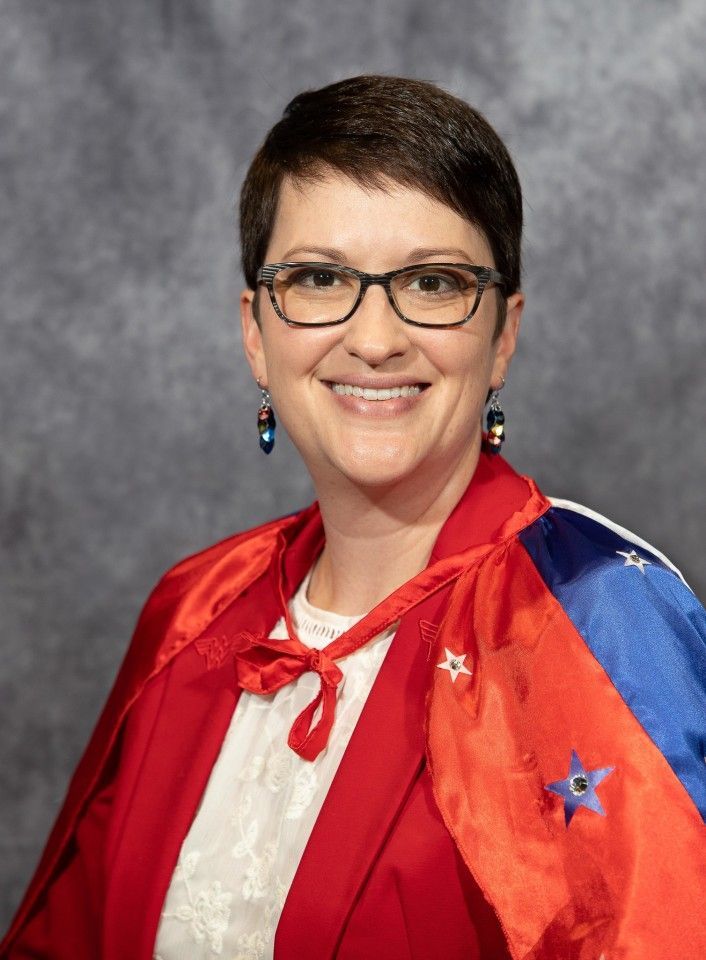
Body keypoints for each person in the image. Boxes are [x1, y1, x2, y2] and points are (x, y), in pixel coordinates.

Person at [2, 75, 705, 960]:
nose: (375, 339)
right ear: (257, 331)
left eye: (434, 282)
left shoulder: (597, 618)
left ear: (503, 335)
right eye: (321, 277)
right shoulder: (193, 613)